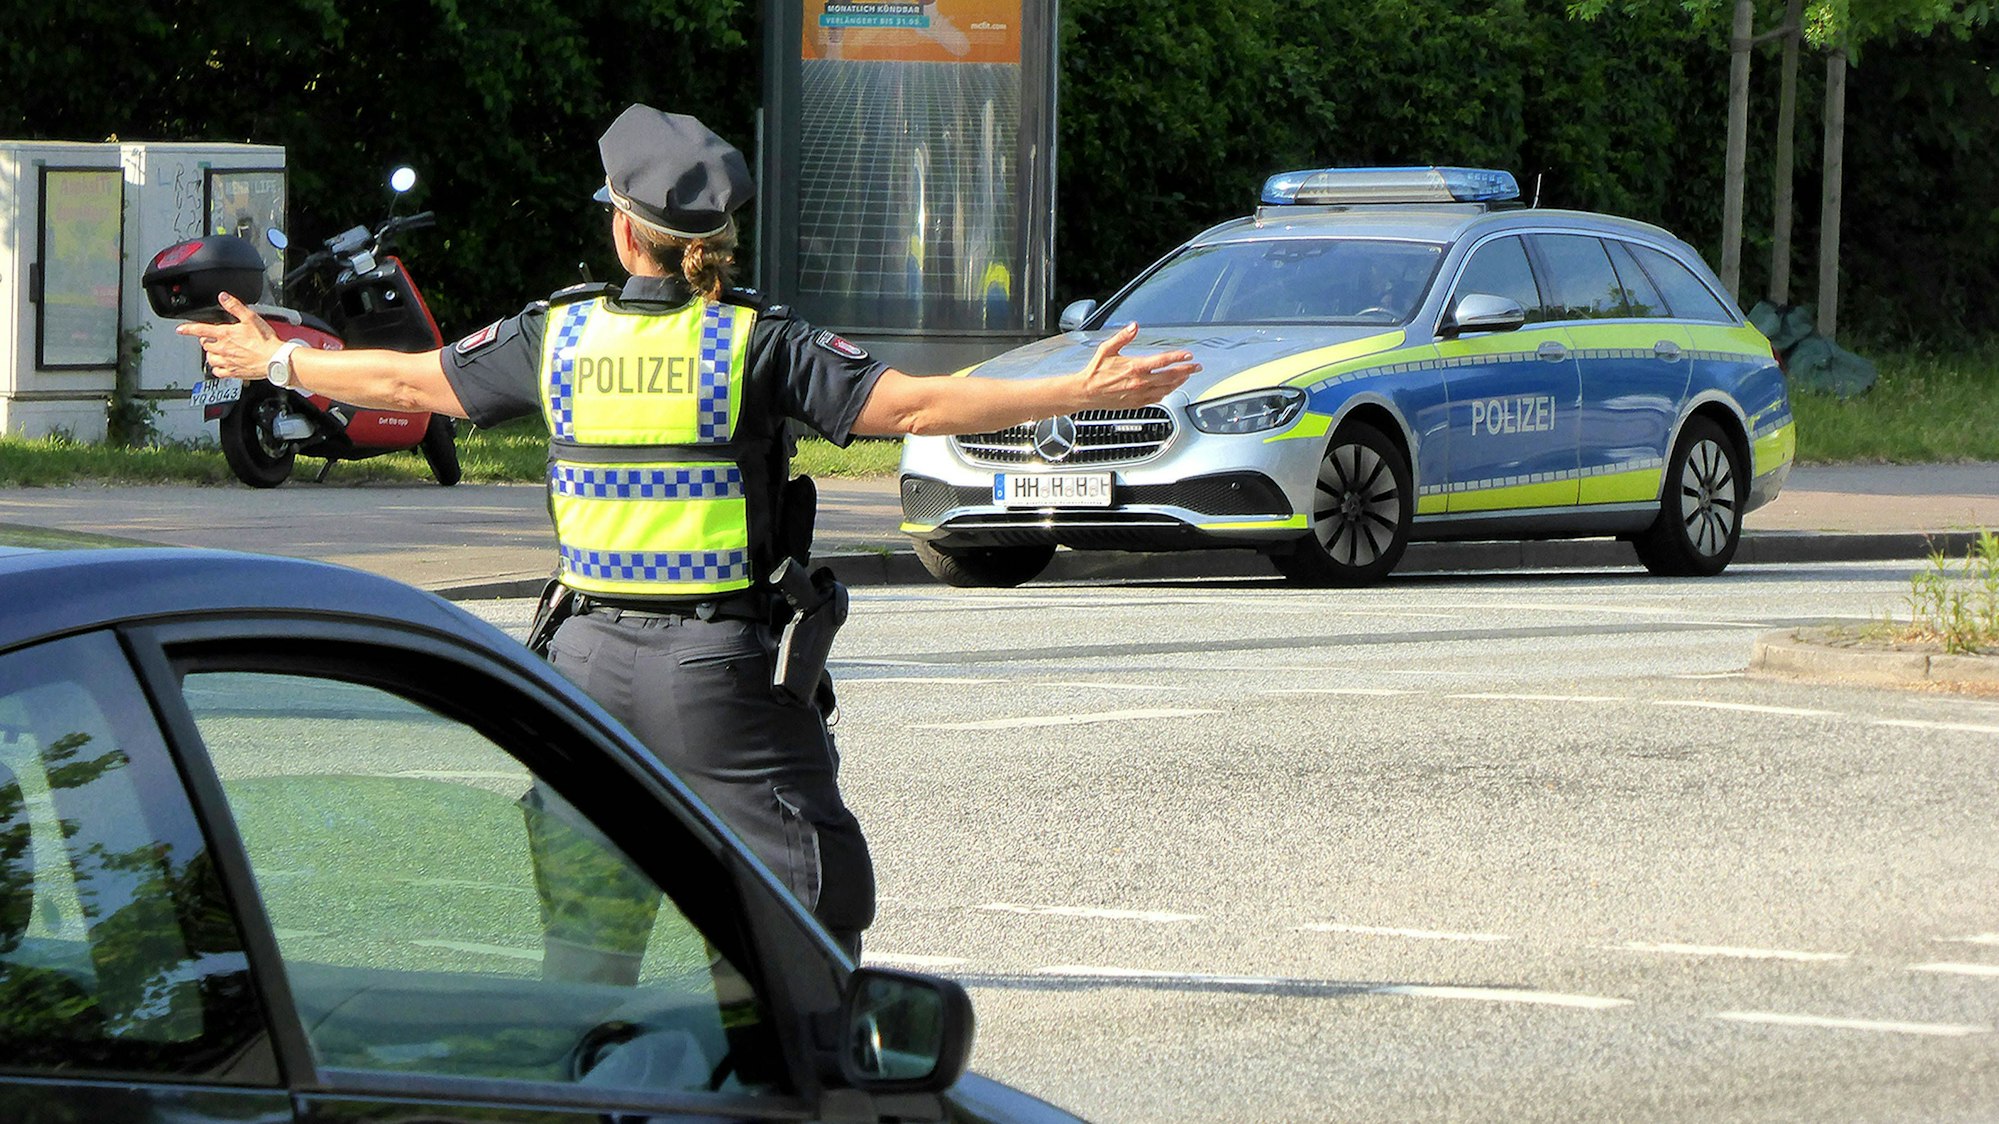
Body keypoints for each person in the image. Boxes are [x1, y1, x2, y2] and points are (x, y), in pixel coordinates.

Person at [180, 104, 1199, 957]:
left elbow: (413, 379)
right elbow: (919, 407)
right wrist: (1076, 382)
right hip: (714, 664)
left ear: (625, 233)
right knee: (810, 895)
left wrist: (275, 361)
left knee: (593, 922)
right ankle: (792, 1080)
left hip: (576, 662)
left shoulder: (559, 332)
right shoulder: (759, 341)